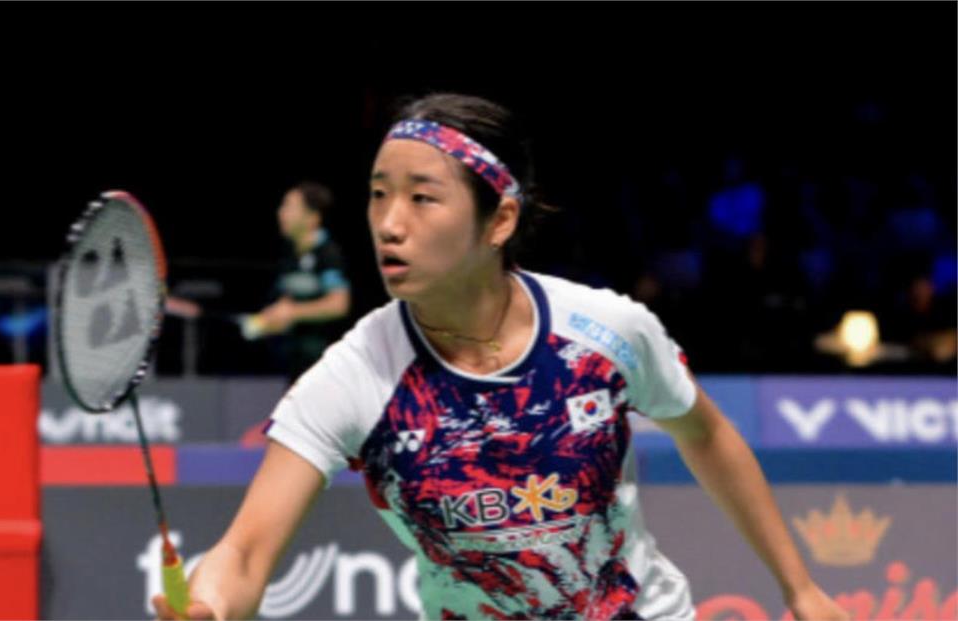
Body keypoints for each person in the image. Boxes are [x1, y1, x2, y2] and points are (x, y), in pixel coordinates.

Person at [153, 94, 847, 620]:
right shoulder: (357, 373)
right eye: (378, 195)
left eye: (422, 198)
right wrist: (210, 604)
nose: (389, 223)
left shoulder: (605, 331)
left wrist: (800, 586)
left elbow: (707, 432)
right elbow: (244, 552)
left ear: (501, 220)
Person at [239, 181, 351, 378]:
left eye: (289, 207)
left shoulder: (328, 254)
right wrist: (269, 319)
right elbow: (286, 304)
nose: (281, 213)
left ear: (312, 217)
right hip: (294, 366)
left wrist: (292, 312)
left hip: (326, 368)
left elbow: (338, 305)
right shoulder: (289, 255)